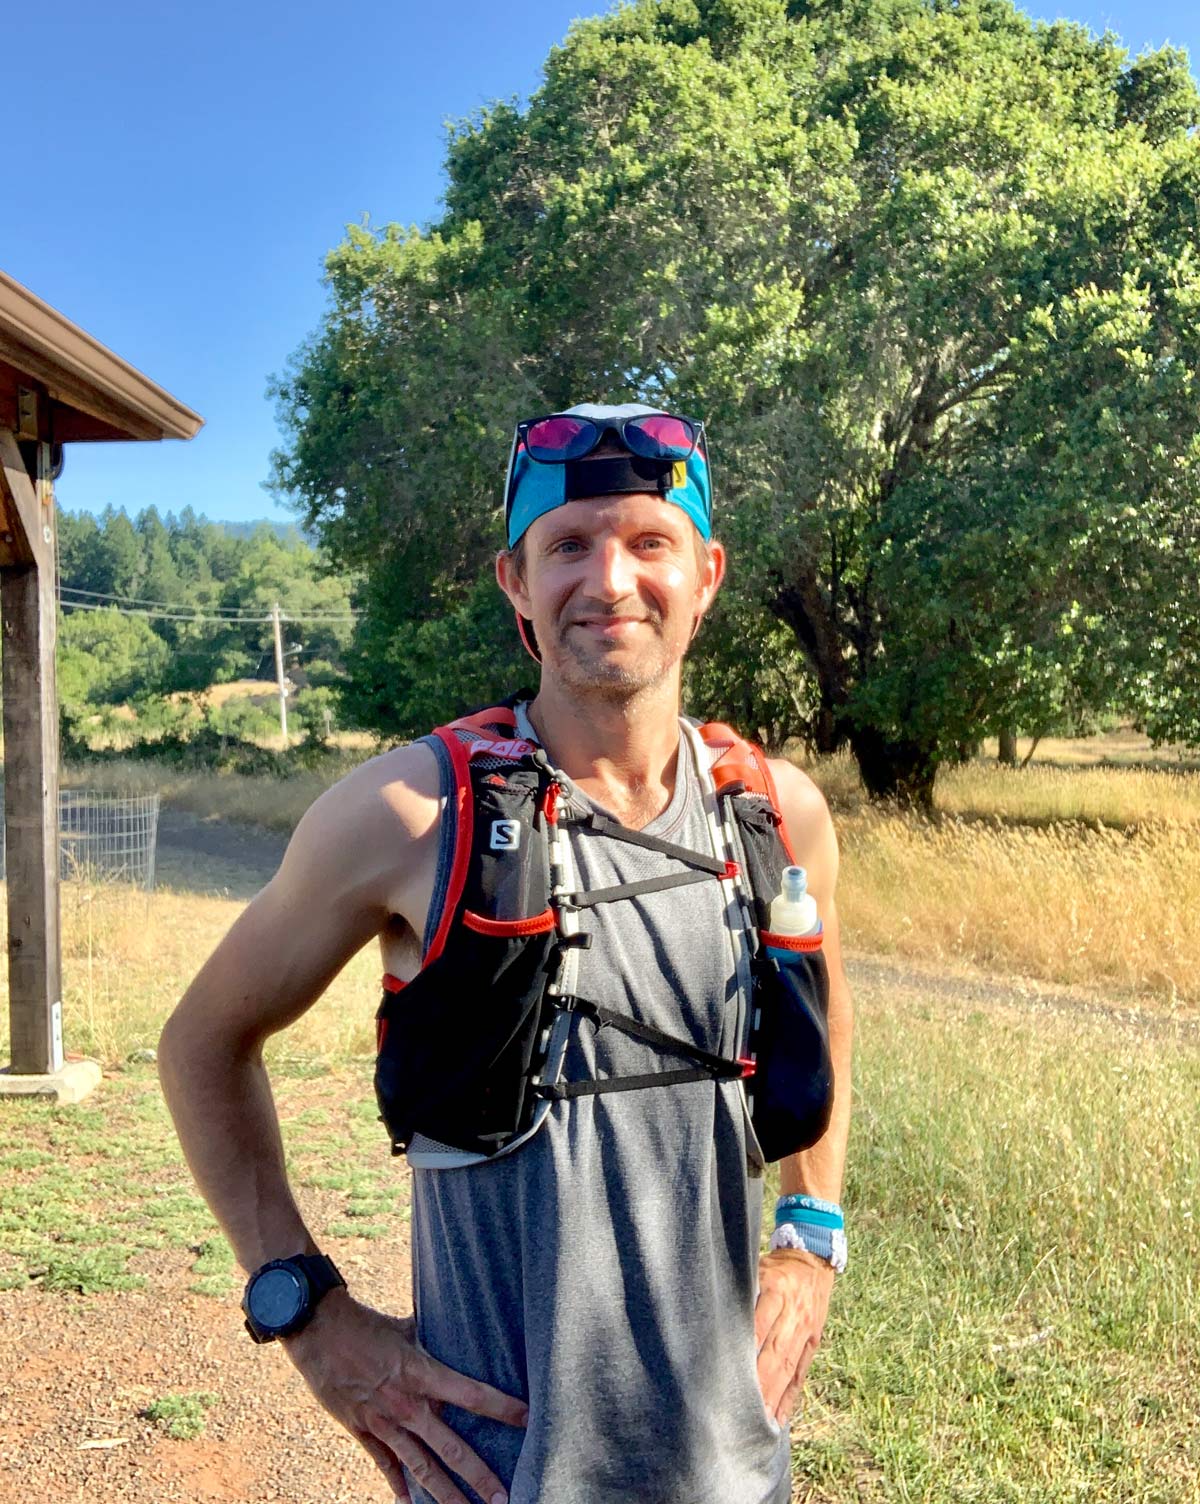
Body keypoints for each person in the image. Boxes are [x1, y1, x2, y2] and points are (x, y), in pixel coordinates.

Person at [158, 402, 854, 1504]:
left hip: (735, 1466)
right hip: (501, 1475)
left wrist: (810, 1233)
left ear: (707, 575)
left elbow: (823, 1016)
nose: (610, 581)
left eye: (650, 541)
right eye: (568, 545)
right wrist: (308, 1311)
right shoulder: (408, 815)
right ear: (516, 583)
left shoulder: (777, 815)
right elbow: (203, 1041)